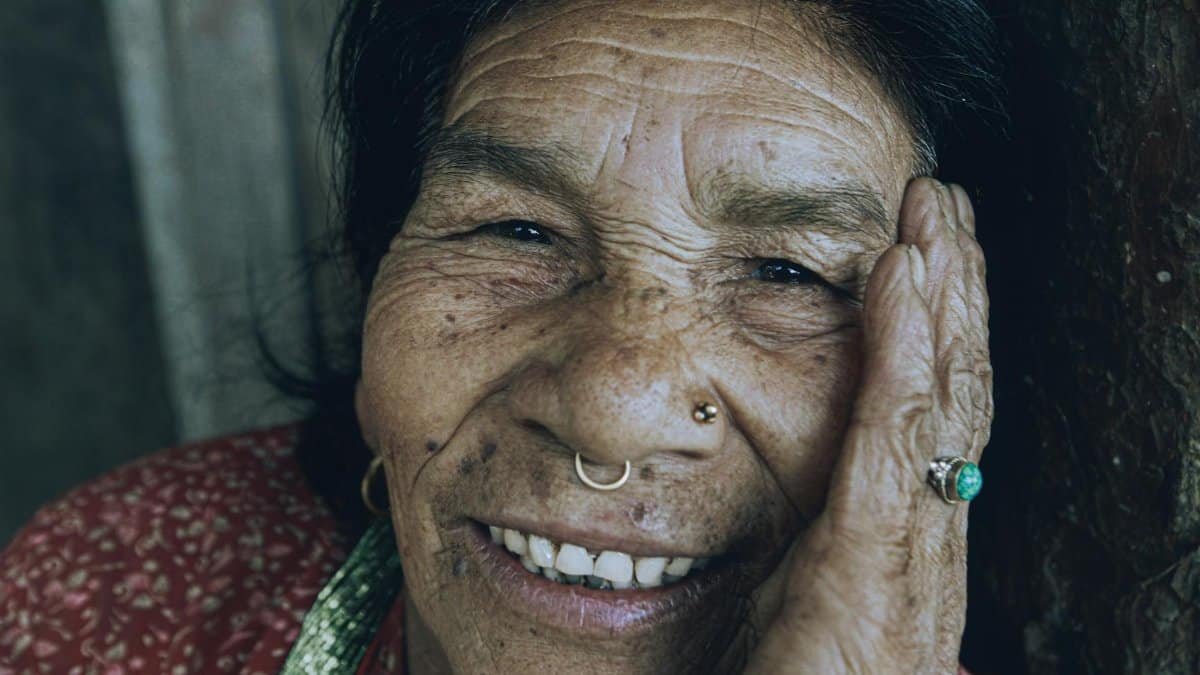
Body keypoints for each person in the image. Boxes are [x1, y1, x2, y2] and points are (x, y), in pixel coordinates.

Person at [0, 0, 1000, 672]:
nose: (612, 411)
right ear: (373, 272)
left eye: (787, 273)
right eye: (514, 231)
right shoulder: (128, 589)